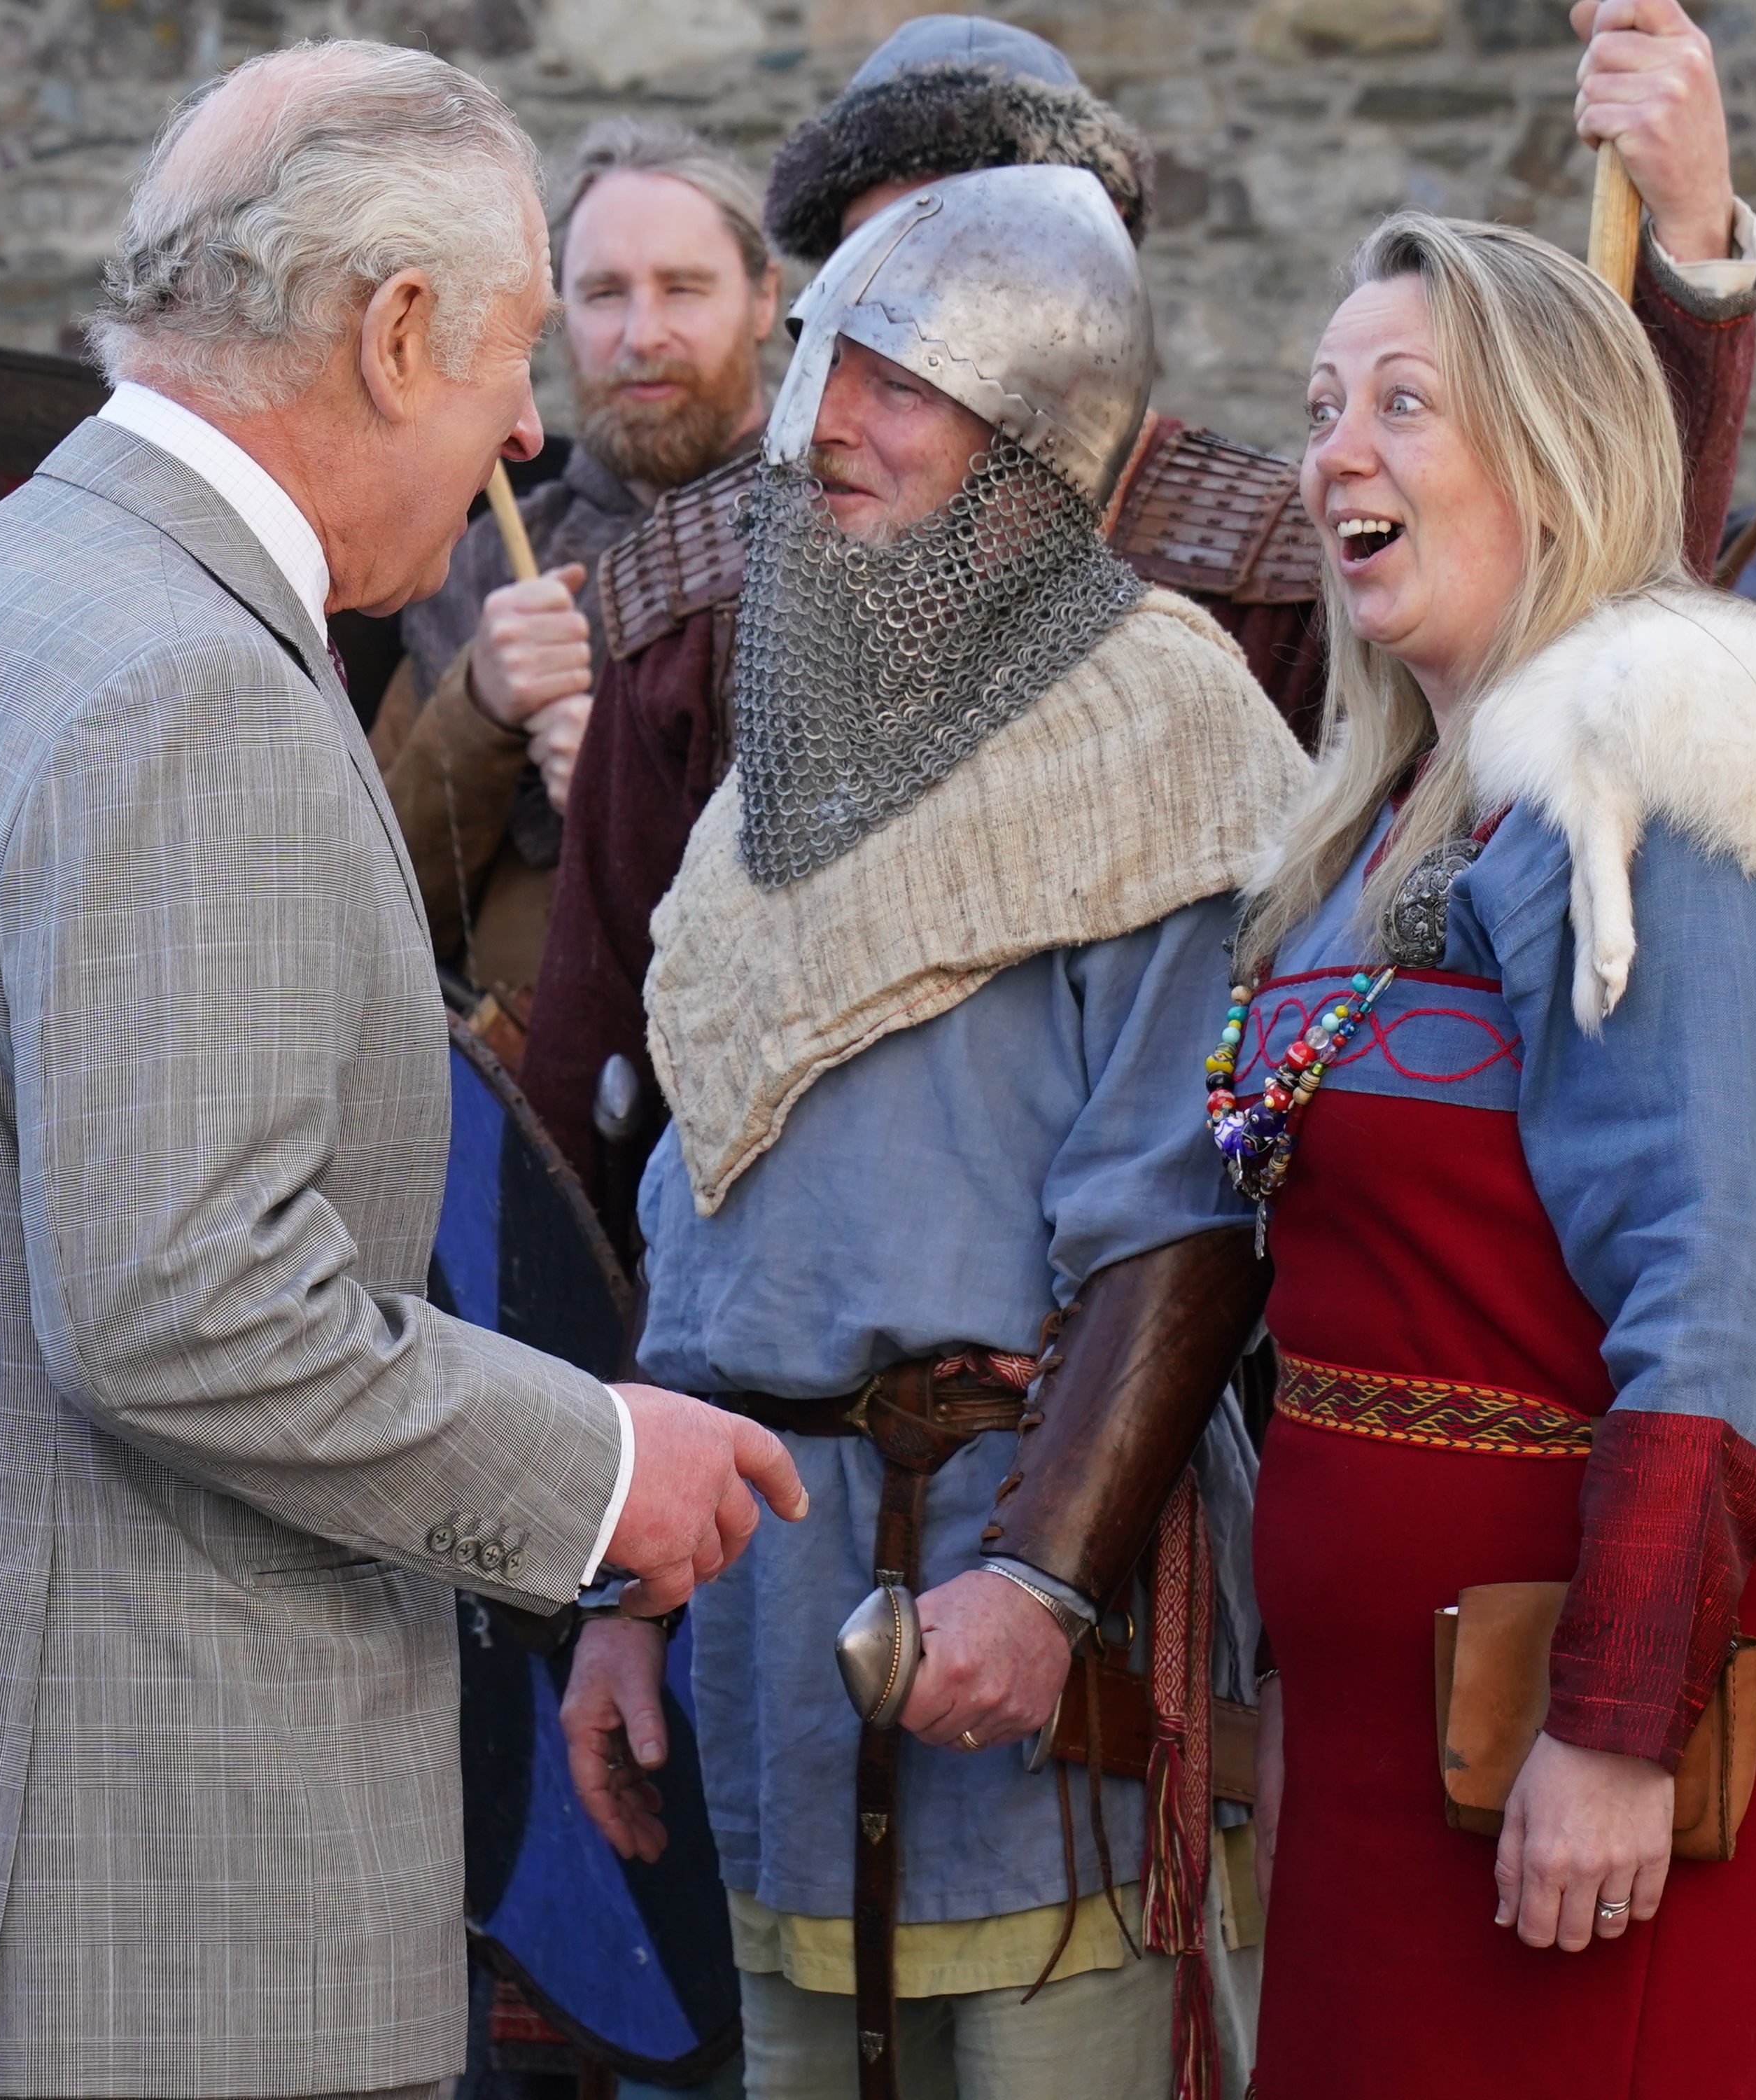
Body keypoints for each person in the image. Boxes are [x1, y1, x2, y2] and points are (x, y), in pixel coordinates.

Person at [0, 43, 803, 2100]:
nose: (532, 421)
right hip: (181, 1913)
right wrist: (604, 1468)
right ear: (392, 333)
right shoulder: (194, 683)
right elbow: (184, 1311)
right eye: (515, 352)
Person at [519, 0, 1756, 1206]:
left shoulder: (1284, 562)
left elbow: (1591, 616)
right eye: (886, 268)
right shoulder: (702, 596)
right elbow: (608, 1050)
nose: (930, 302)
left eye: (986, 245)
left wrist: (1691, 253)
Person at [1232, 211, 1756, 2096]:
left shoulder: (1646, 803)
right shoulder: (1391, 824)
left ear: (1556, 458)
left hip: (1580, 1743)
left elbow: (1724, 1286)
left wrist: (1612, 1722)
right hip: (1386, 1745)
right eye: (1323, 402)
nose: (1336, 447)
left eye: (1403, 404)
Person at [558, 165, 1309, 2100]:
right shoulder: (776, 756)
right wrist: (629, 1594)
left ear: (1035, 427)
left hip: (1020, 1616)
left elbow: (1187, 1213)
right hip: (770, 1620)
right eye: (822, 366)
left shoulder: (1164, 720)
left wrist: (1048, 1574)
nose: (827, 425)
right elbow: (697, 1192)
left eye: (899, 380)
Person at [367, 117, 780, 1062]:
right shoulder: (482, 567)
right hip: (528, 1141)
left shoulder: (851, 541)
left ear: (762, 298)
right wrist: (480, 709)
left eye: (684, 288)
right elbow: (366, 917)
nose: (642, 335)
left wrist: (624, 783)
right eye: (603, 294)